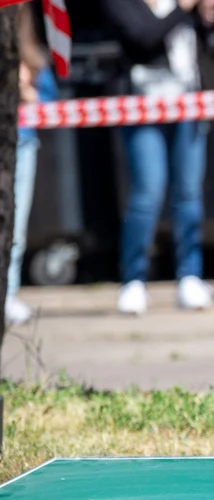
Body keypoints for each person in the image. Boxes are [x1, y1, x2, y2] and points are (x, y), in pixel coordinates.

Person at [102, 0, 214, 315]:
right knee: (148, 191)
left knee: (189, 192)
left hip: (187, 105)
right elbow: (144, 39)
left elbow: (199, 49)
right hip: (142, 106)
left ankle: (190, 275)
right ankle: (134, 278)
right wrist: (183, 9)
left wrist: (205, 19)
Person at [5, 5, 56, 328]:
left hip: (21, 142)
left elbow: (51, 102)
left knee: (15, 228)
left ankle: (7, 293)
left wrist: (27, 91)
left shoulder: (31, 52)